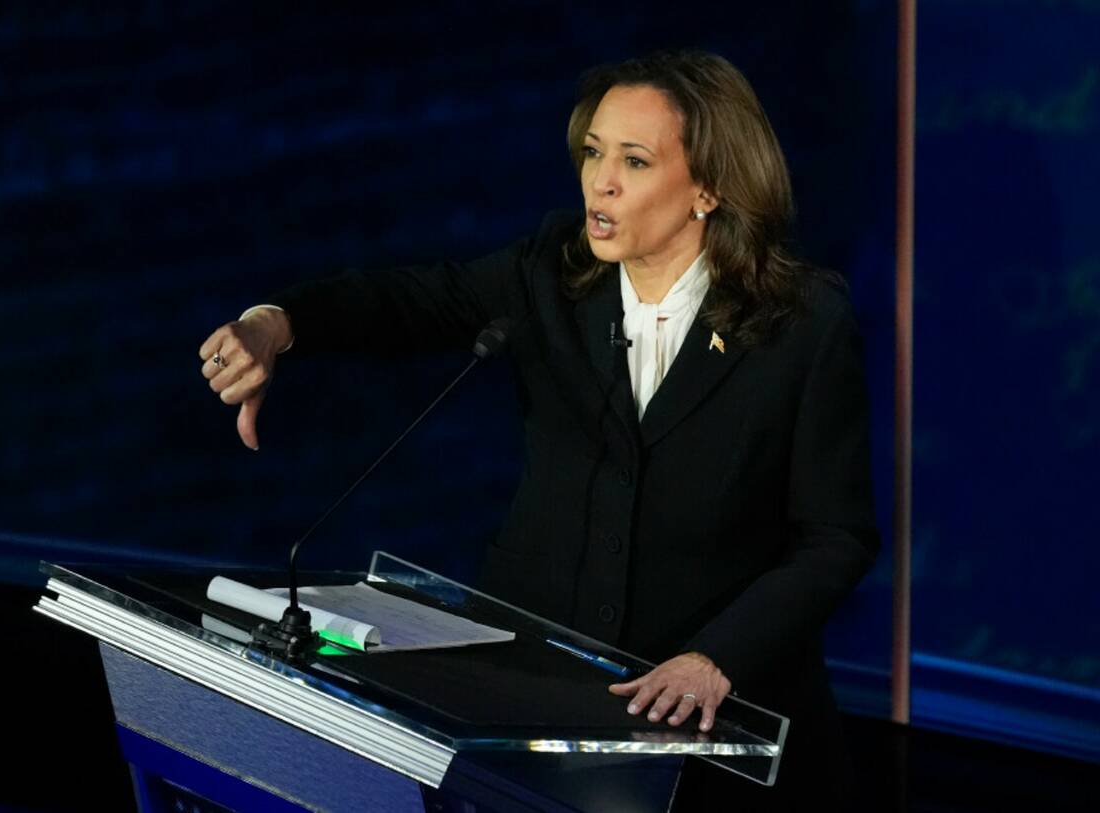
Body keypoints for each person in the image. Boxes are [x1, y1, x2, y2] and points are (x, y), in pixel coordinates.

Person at [199, 50, 877, 808]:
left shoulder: (802, 323)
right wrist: (274, 324)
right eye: (593, 152)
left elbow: (835, 536)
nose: (602, 181)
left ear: (709, 189)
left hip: (708, 730)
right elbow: (409, 300)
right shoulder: (552, 273)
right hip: (536, 711)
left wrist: (715, 658)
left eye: (635, 160)